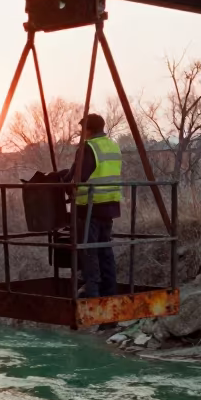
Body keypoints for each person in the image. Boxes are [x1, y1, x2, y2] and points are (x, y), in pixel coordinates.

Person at [60, 113, 122, 297]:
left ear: (89, 130)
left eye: (82, 130)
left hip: (89, 208)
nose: (82, 134)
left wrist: (65, 185)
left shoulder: (88, 148)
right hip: (109, 206)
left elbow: (80, 177)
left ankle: (92, 294)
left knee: (88, 252)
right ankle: (109, 291)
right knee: (105, 251)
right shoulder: (113, 146)